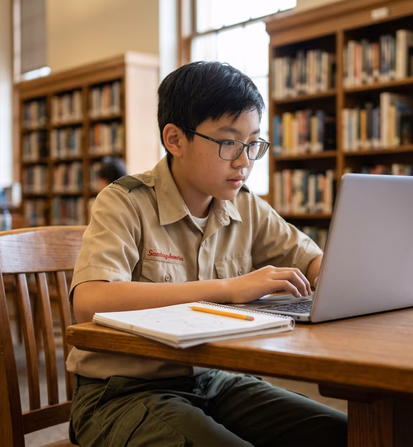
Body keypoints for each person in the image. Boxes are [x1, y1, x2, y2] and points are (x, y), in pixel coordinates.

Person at [67, 61, 346, 446]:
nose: (244, 160)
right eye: (229, 142)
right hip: (122, 391)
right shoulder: (124, 201)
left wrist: (341, 277)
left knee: (347, 434)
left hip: (216, 379)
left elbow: (311, 260)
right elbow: (91, 300)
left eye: (253, 144)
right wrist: (229, 289)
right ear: (175, 139)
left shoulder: (245, 205)